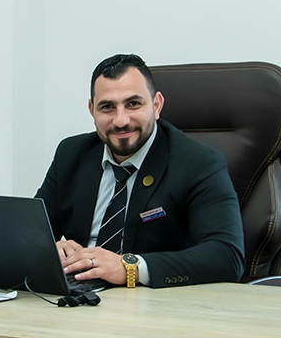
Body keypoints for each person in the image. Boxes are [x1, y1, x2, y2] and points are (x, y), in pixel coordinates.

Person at [36, 53, 244, 288]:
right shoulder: (71, 154)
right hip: (80, 292)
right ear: (92, 110)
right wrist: (48, 249)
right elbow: (28, 234)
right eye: (107, 107)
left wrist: (131, 268)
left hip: (154, 301)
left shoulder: (199, 162)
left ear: (156, 105)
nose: (121, 120)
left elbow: (228, 256)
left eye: (133, 104)